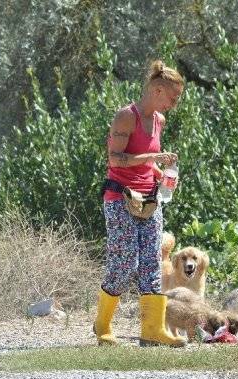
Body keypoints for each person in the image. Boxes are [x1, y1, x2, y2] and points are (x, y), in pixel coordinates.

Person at [93, 60, 186, 347]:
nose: (174, 103)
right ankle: (102, 325)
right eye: (173, 97)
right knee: (125, 263)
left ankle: (152, 330)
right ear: (157, 91)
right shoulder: (125, 117)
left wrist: (163, 175)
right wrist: (151, 159)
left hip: (150, 200)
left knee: (152, 263)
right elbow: (115, 159)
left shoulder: (159, 121)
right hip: (120, 198)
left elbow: (147, 166)